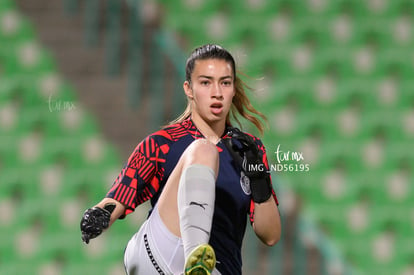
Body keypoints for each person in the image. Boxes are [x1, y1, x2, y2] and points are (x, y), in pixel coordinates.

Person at [80, 44, 281, 275]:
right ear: (189, 89)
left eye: (225, 82)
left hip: (221, 270)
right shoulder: (161, 143)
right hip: (160, 253)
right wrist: (99, 213)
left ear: (233, 89)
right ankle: (195, 260)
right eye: (205, 82)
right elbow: (120, 195)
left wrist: (259, 182)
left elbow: (271, 235)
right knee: (204, 151)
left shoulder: (249, 150)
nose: (217, 92)